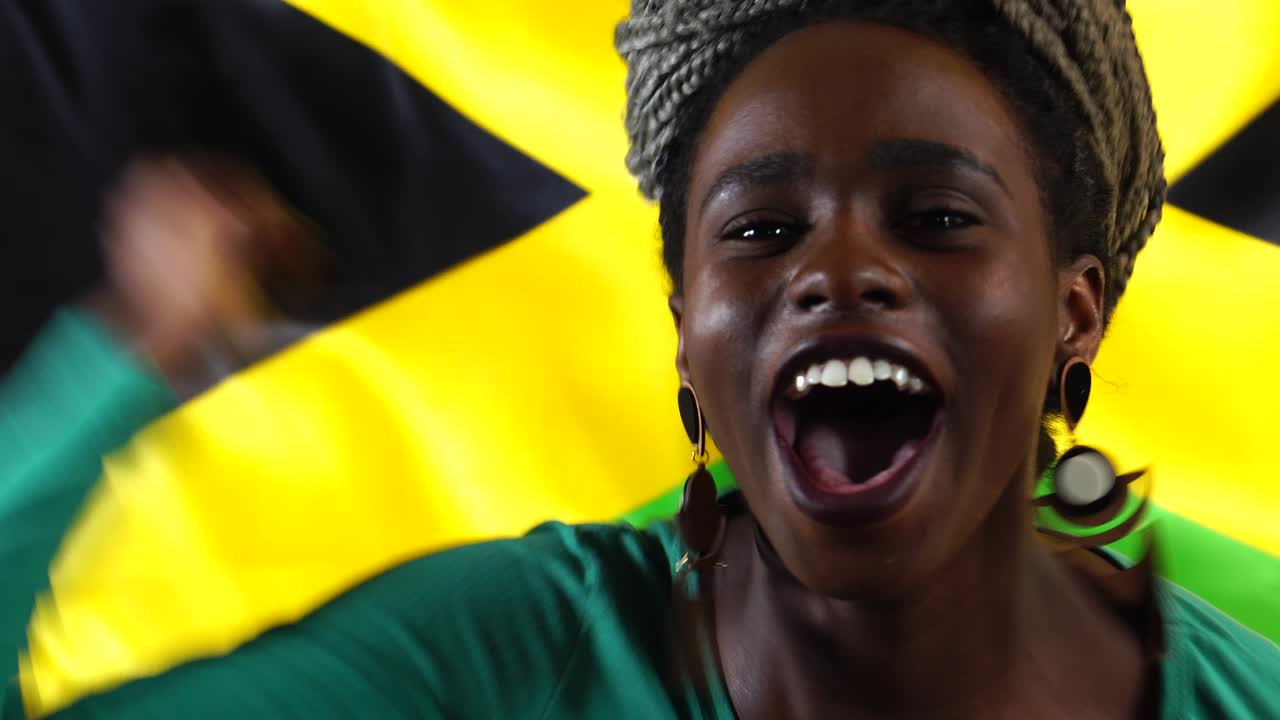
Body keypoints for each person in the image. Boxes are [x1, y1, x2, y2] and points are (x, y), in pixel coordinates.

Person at [3, 0, 1279, 717]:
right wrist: (123, 363)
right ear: (685, 330)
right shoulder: (496, 662)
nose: (838, 270)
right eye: (761, 228)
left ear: (1074, 315)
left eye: (936, 217)